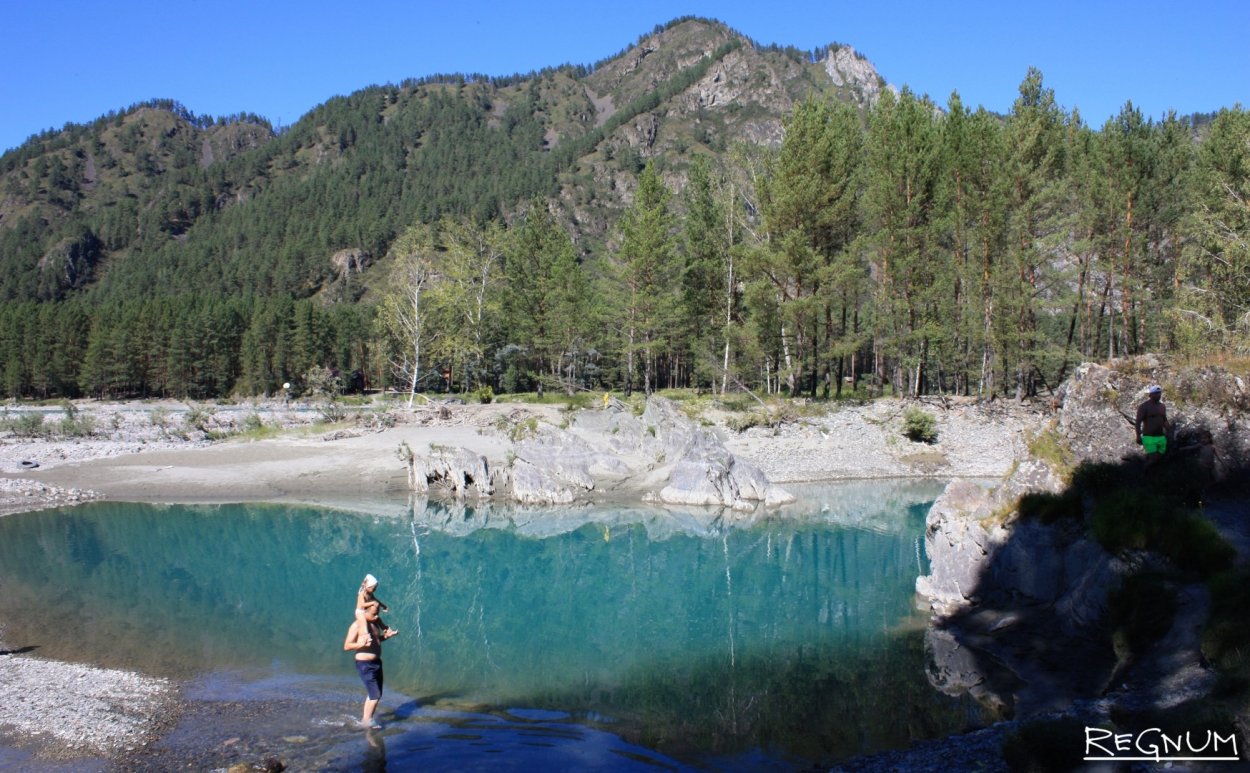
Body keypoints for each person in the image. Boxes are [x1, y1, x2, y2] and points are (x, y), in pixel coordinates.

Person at [344, 605, 397, 728]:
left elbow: (376, 640)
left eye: (378, 613)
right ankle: (367, 722)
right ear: (364, 612)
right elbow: (347, 646)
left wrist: (386, 637)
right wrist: (360, 644)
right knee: (375, 694)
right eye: (374, 613)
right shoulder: (357, 625)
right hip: (365, 664)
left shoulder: (374, 624)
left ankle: (366, 719)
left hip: (377, 662)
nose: (377, 616)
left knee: (376, 693)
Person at [355, 574, 396, 646]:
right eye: (373, 588)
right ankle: (366, 637)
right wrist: (372, 603)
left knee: (378, 619)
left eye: (375, 588)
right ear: (368, 586)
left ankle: (386, 630)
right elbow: (362, 605)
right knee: (363, 624)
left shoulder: (370, 593)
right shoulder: (362, 594)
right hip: (360, 613)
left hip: (365, 612)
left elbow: (376, 600)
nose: (375, 590)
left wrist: (383, 605)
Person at [1135, 385, 1169, 464]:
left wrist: (1170, 430)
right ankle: (1144, 473)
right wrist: (1138, 436)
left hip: (1161, 437)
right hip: (1149, 437)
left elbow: (1164, 420)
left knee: (1161, 459)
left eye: (1159, 393)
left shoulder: (1162, 406)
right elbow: (1138, 422)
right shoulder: (1144, 407)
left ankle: (1154, 475)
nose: (1158, 395)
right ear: (1150, 395)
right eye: (1156, 393)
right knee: (1153, 459)